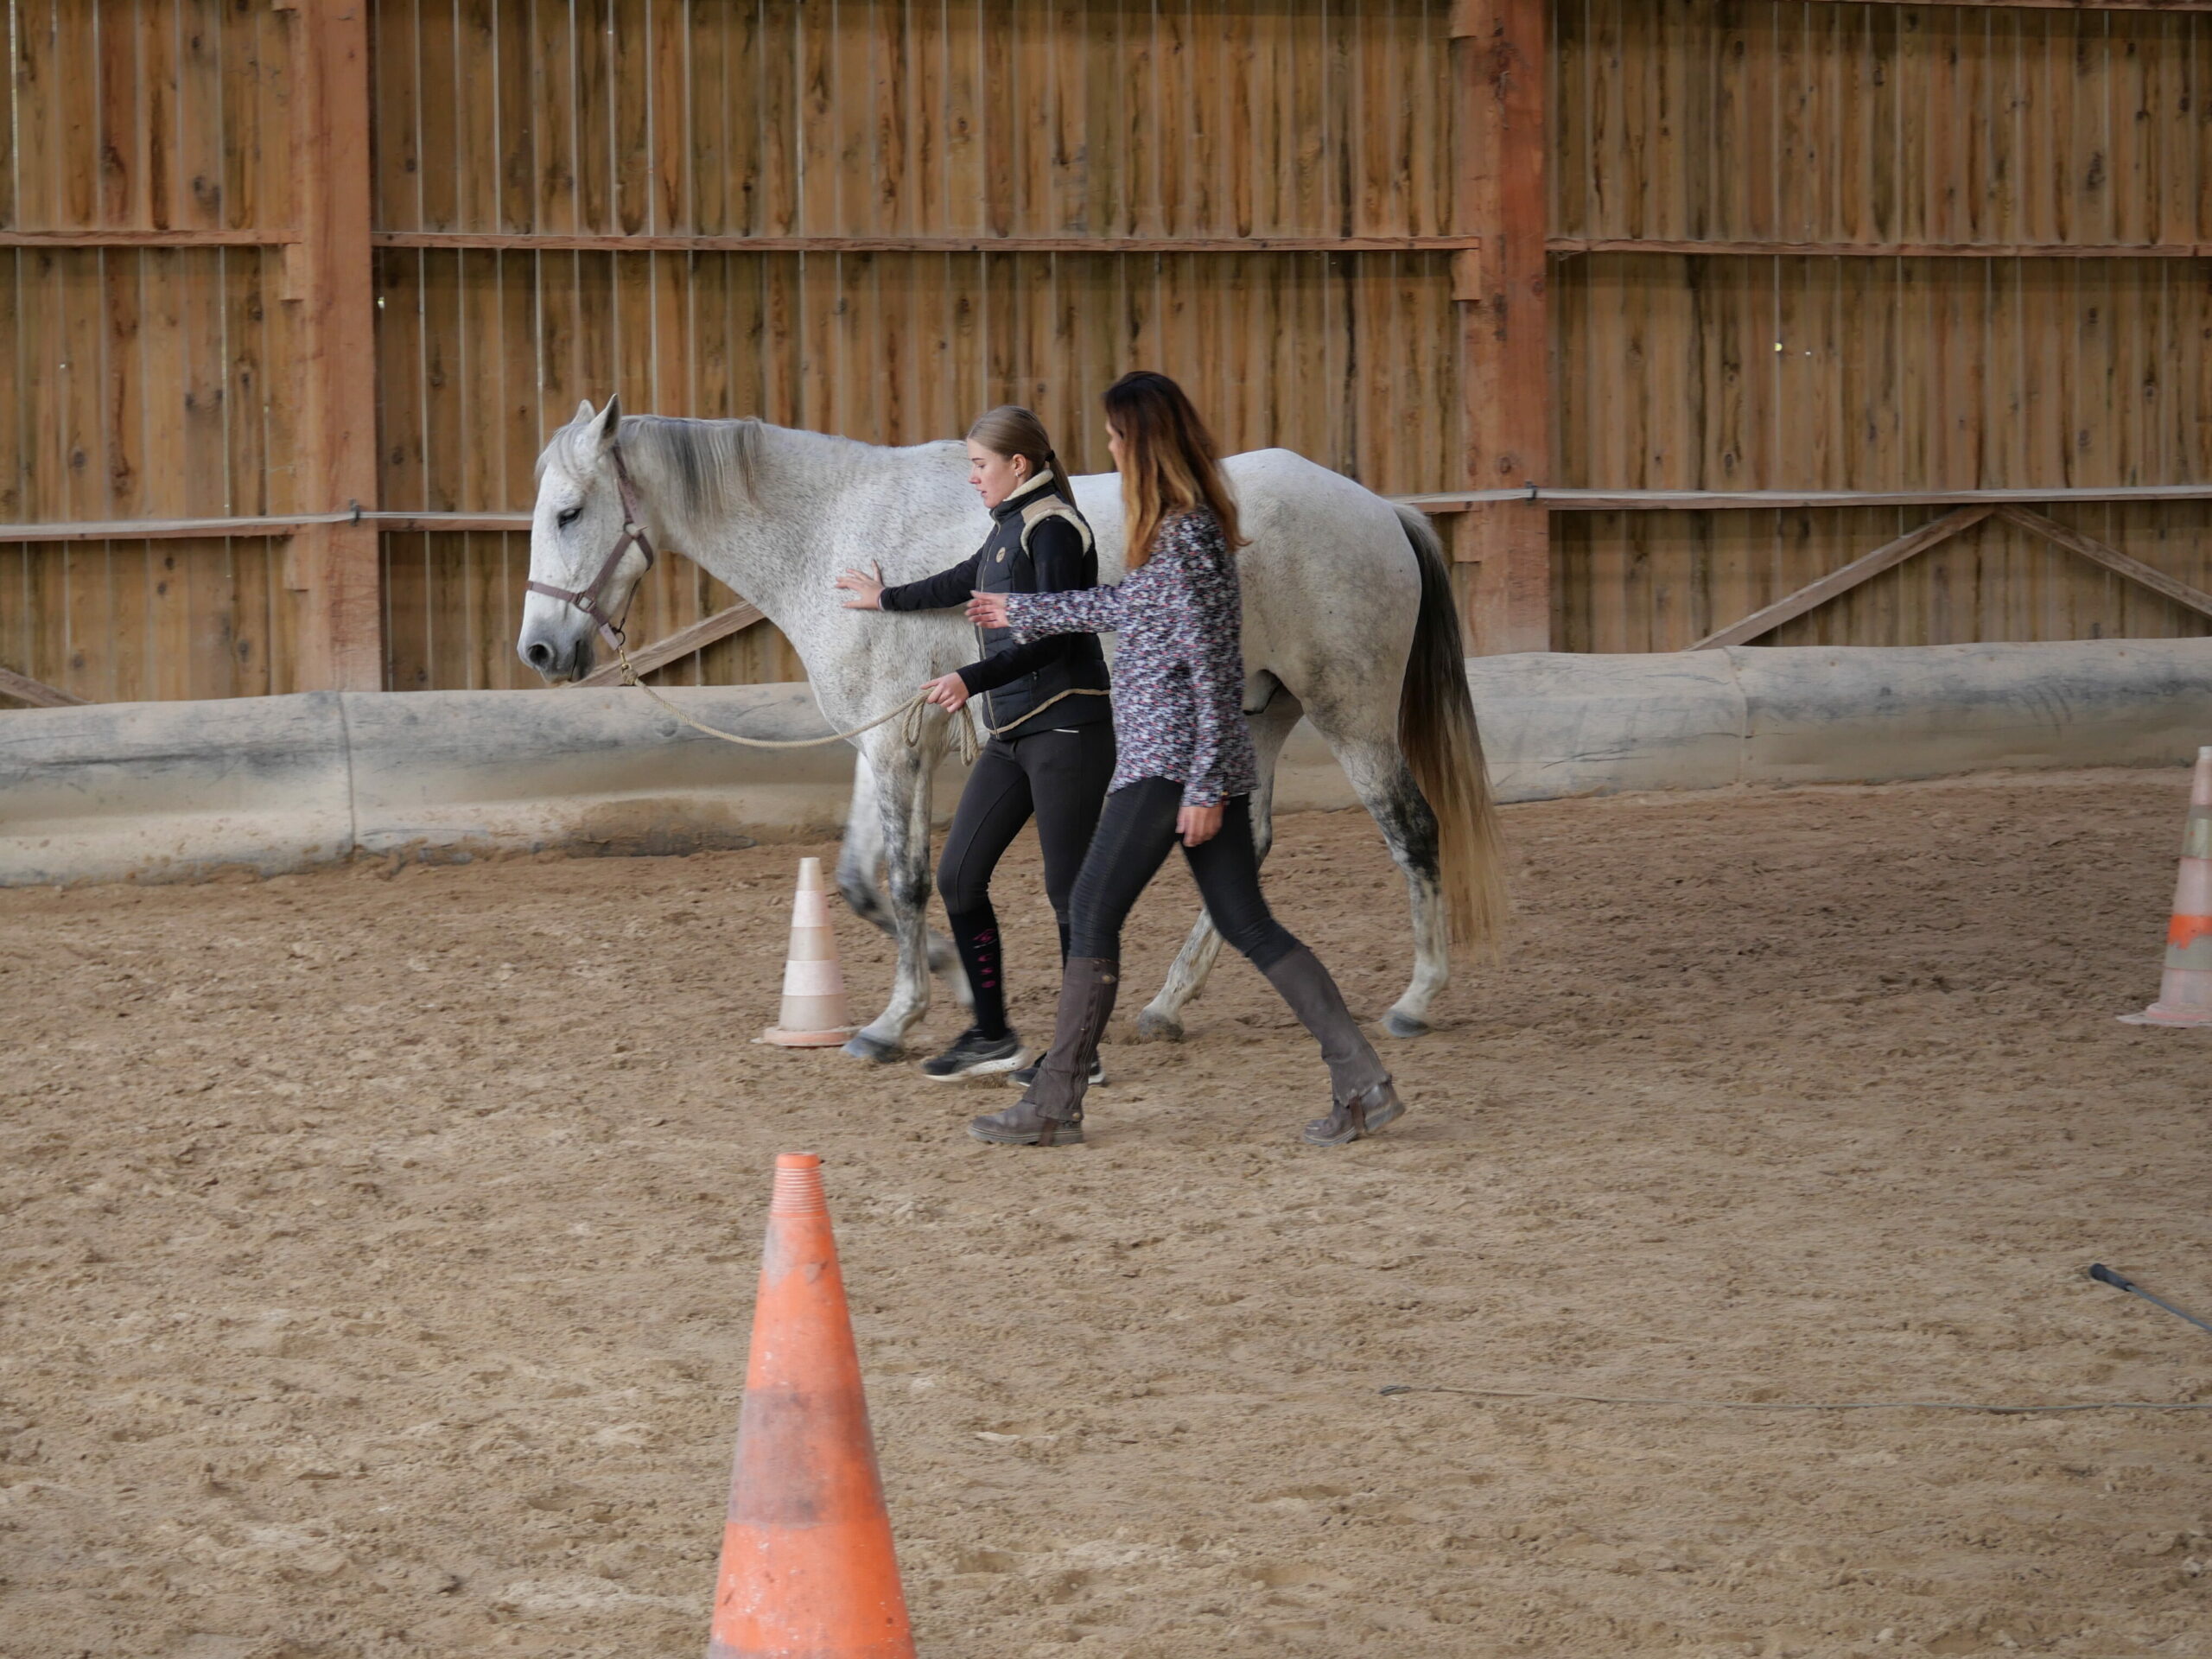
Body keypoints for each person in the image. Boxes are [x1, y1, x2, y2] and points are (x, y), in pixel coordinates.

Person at [963, 371, 1402, 1148]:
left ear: (1140, 441)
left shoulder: (1188, 535)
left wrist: (1201, 785)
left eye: (1112, 436)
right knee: (1249, 924)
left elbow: (1211, 667)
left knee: (1094, 907)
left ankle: (1055, 1100)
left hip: (1172, 765)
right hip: (1186, 762)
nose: (1105, 447)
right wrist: (1020, 608)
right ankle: (1361, 1078)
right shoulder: (1177, 531)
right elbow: (1127, 607)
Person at [836, 407, 1116, 1081]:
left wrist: (969, 677)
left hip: (1067, 728)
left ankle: (1081, 1055)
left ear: (1018, 465)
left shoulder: (1053, 530)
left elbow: (1052, 634)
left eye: (980, 465)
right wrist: (886, 599)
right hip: (1016, 732)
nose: (972, 478)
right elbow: (962, 580)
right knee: (960, 877)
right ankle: (992, 1034)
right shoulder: (1009, 529)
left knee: (1068, 894)